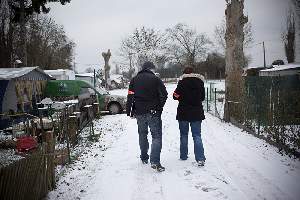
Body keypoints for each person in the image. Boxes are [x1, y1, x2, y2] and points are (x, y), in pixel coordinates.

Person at [126, 61, 168, 172]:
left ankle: (144, 157)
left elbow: (130, 96)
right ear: (150, 69)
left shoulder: (134, 80)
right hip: (153, 112)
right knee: (156, 136)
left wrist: (129, 111)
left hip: (139, 112)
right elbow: (164, 94)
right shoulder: (155, 79)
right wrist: (159, 107)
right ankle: (154, 161)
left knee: (142, 134)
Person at [173, 67, 206, 166]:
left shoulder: (182, 82)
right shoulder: (200, 82)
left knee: (183, 135)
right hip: (196, 112)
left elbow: (175, 96)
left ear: (184, 73)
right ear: (193, 73)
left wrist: (181, 97)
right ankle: (200, 158)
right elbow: (203, 97)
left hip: (183, 112)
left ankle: (183, 156)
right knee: (197, 135)